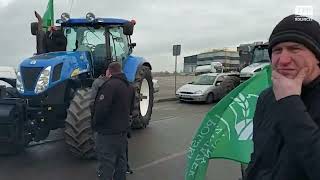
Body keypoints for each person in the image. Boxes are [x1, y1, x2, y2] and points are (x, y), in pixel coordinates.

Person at [245, 14, 320, 180]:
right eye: (277, 51)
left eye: (295, 49)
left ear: (317, 56)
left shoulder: (284, 98)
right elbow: (259, 157)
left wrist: (289, 103)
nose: (283, 60)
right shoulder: (266, 98)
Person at [92, 62, 135, 180]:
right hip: (122, 133)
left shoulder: (109, 86)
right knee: (120, 161)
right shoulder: (130, 87)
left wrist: (95, 125)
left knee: (106, 164)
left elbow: (101, 110)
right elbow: (130, 109)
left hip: (107, 133)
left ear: (109, 72)